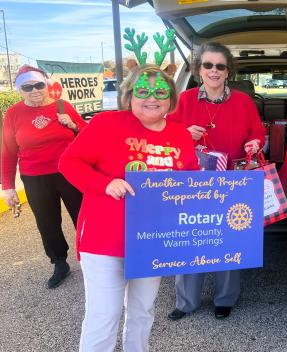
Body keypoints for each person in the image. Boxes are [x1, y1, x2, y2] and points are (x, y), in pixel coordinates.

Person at [59, 65, 199, 351]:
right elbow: (69, 163)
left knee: (143, 312)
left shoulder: (181, 135)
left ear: (171, 99)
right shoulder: (106, 124)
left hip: (153, 241)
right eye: (143, 91)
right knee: (103, 316)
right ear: (129, 96)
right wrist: (105, 184)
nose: (152, 97)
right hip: (104, 240)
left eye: (161, 91)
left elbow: (190, 177)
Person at [167, 42, 266, 320]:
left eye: (220, 66)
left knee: (228, 239)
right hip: (192, 182)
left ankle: (225, 298)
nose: (214, 70)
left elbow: (256, 133)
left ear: (227, 71)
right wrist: (184, 134)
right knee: (191, 240)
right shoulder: (184, 100)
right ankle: (186, 302)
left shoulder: (243, 102)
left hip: (231, 181)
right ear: (199, 70)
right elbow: (165, 136)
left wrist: (254, 143)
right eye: (208, 65)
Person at [1, 65, 86, 289]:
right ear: (20, 90)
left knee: (83, 216)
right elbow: (8, 151)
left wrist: (74, 125)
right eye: (27, 87)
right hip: (35, 176)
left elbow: (87, 134)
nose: (34, 91)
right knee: (47, 223)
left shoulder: (63, 106)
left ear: (46, 84)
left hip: (69, 171)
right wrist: (8, 186)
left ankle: (92, 257)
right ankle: (59, 262)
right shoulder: (13, 114)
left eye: (38, 85)